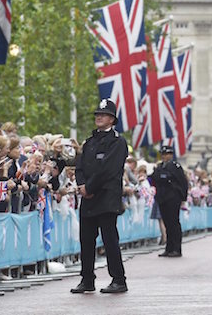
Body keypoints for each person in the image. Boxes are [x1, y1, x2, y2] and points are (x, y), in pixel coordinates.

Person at [71, 99, 128, 294]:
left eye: (102, 115)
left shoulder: (118, 142)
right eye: (97, 114)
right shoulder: (90, 142)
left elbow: (108, 169)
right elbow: (80, 166)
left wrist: (90, 187)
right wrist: (81, 185)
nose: (98, 117)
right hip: (88, 197)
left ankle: (119, 279)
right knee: (86, 240)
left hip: (106, 197)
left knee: (109, 239)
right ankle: (87, 279)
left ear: (112, 119)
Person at [151, 145, 188, 258]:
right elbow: (155, 179)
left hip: (173, 198)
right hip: (162, 198)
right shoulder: (160, 167)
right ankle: (169, 248)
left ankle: (177, 249)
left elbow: (182, 182)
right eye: (162, 154)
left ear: (171, 155)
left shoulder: (175, 166)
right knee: (167, 224)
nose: (164, 156)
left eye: (166, 154)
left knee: (174, 224)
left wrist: (183, 198)